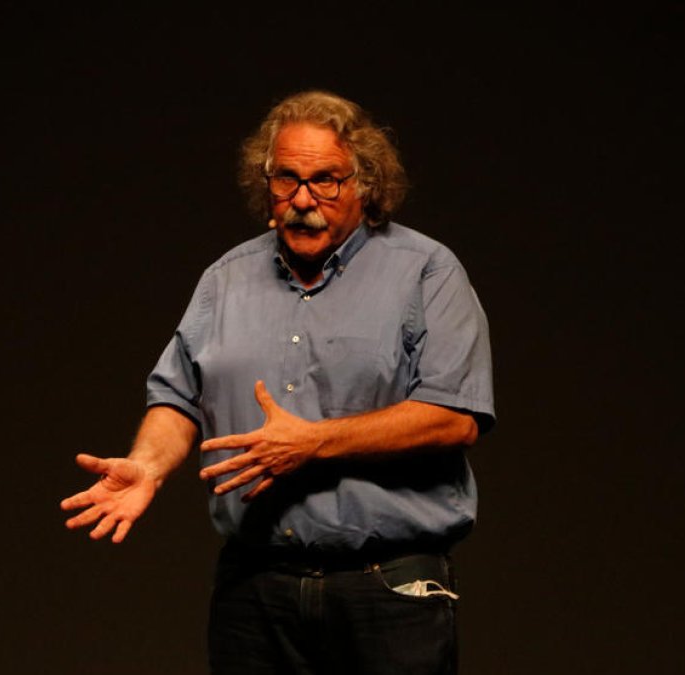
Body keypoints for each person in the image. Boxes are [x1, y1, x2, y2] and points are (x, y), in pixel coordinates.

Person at [61, 90, 494, 674]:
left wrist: (314, 442)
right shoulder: (226, 279)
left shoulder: (425, 271)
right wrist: (150, 465)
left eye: (325, 181)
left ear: (364, 184)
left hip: (386, 589)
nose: (303, 199)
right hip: (255, 590)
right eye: (286, 179)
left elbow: (454, 415)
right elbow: (178, 396)